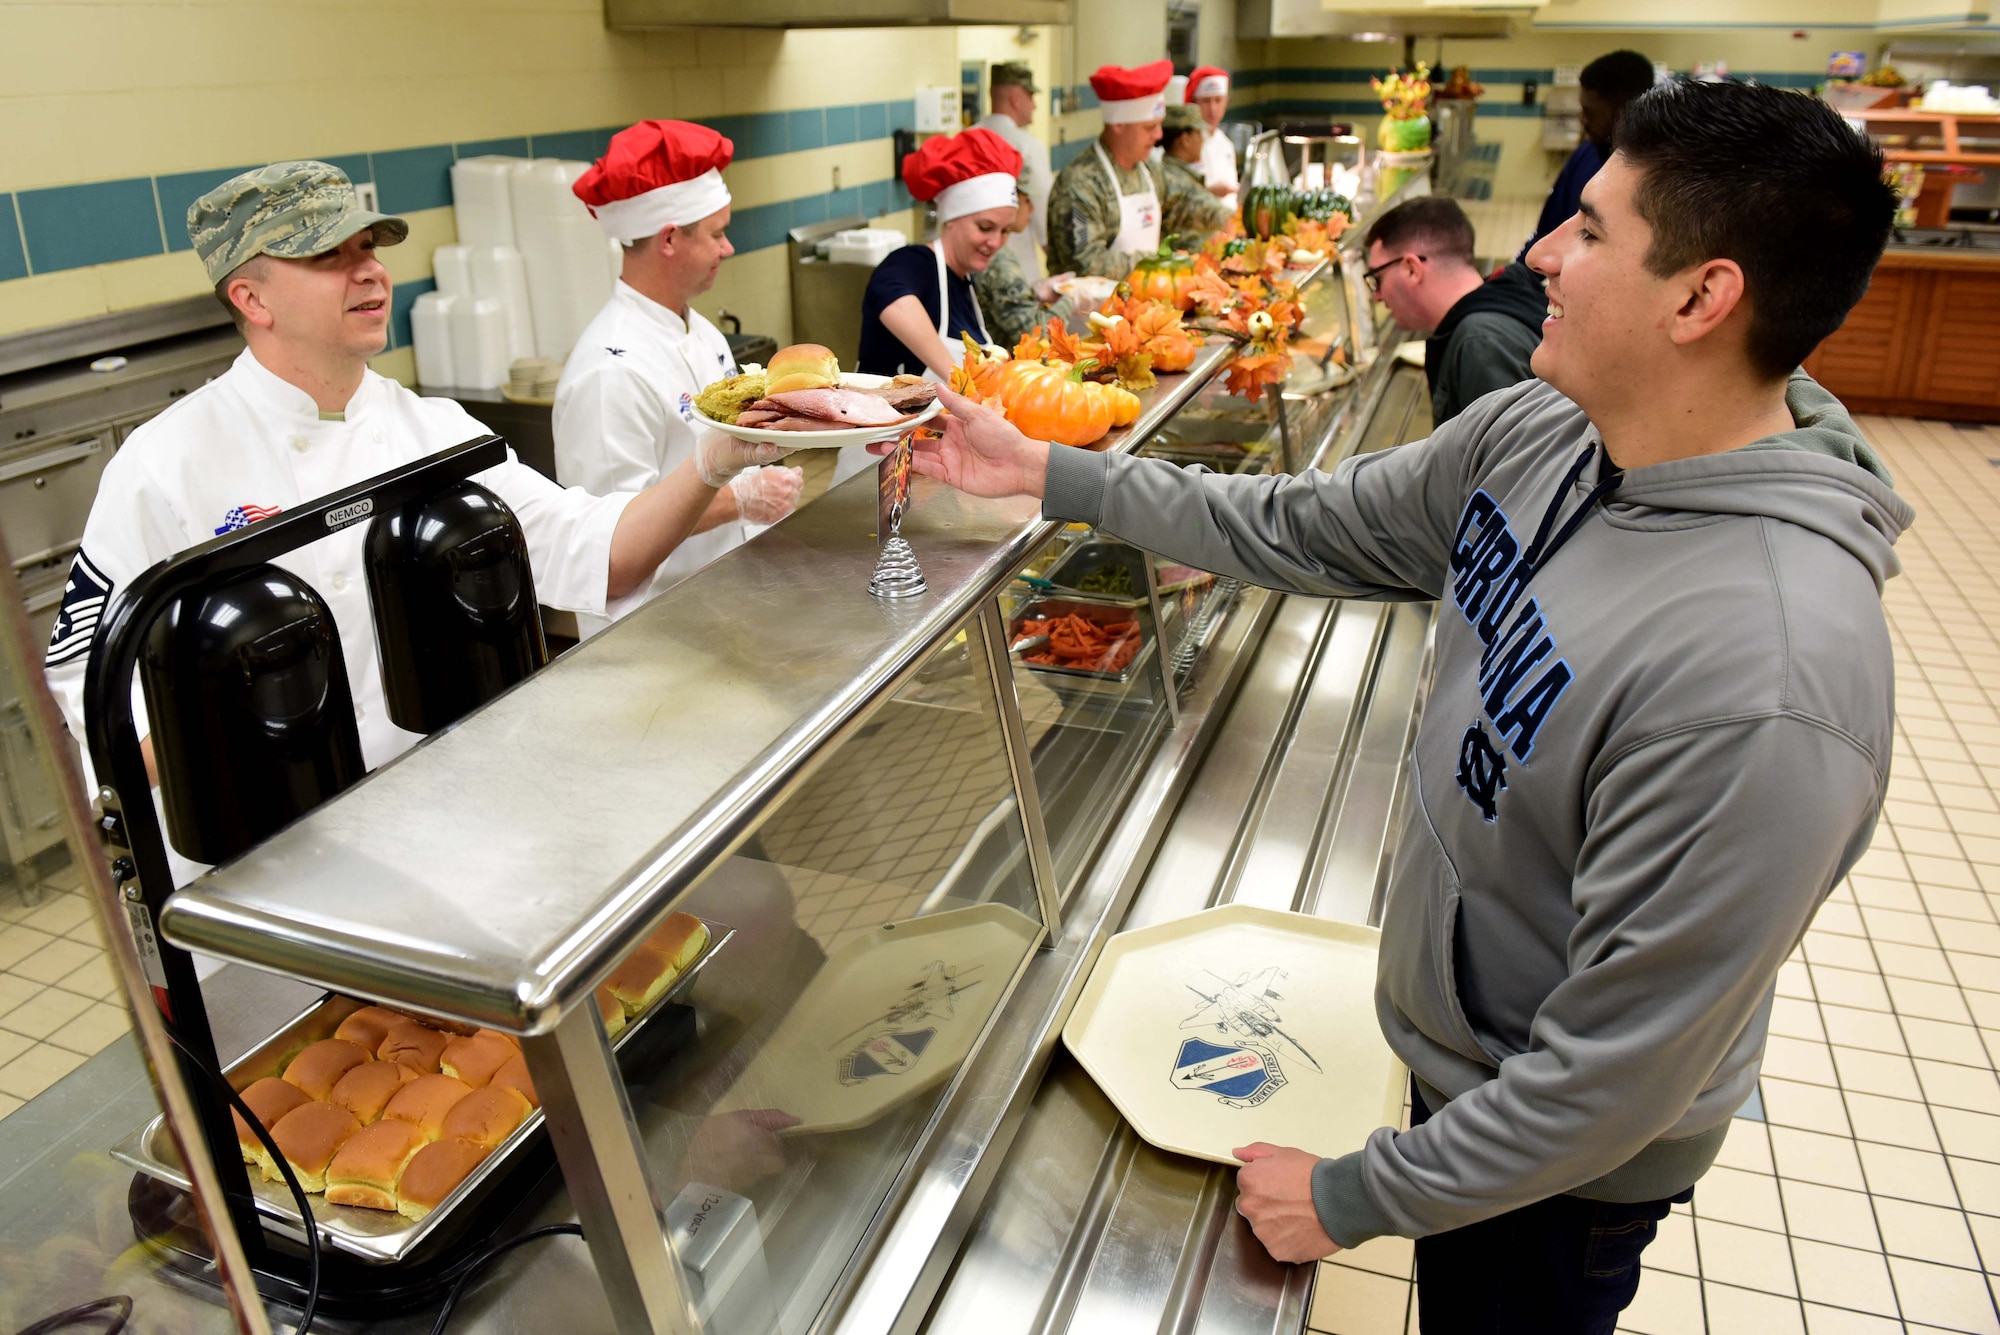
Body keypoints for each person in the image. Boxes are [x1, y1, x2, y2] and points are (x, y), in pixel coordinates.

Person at [890, 81, 1905, 1333]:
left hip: (1564, 1174)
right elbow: (1310, 524)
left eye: (1588, 231)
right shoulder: (1550, 427)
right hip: (1457, 1049)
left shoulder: (1769, 683)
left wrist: (1358, 1194)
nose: (1538, 254)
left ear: (1702, 298)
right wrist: (1052, 472)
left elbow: (1616, 1076)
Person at [45, 161, 790, 875]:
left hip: (451, 827)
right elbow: (87, 681)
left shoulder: (438, 435)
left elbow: (600, 551)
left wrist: (709, 464)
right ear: (253, 299)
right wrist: (213, 746)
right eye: (328, 256)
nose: (369, 270)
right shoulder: (164, 466)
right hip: (262, 855)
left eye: (368, 248)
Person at [555, 120, 803, 638]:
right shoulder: (609, 371)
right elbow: (612, 541)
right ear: (669, 239)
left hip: (721, 608)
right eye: (717, 234)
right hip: (652, 634)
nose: (728, 248)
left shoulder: (702, 332)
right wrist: (741, 498)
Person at [857, 127, 1022, 379]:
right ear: (952, 219)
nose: (996, 242)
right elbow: (887, 293)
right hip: (891, 416)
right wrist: (961, 383)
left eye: (1005, 230)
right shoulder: (913, 263)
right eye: (985, 227)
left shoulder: (964, 280)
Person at [1364, 196, 1545, 425]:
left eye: (1377, 279)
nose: (1377, 296)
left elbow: (1503, 457)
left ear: (1412, 269)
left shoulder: (1481, 343)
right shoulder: (1506, 295)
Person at [1045, 60, 1232, 279]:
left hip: (1144, 304)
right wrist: (1163, 263)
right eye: (1149, 127)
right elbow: (1086, 263)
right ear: (1118, 126)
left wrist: (1227, 219)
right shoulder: (1080, 184)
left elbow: (1186, 199)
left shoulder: (1149, 171)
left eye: (1159, 125)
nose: (1159, 135)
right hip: (1093, 311)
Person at [1519, 49, 1656, 257]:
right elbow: (1549, 231)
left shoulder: (1656, 179)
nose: (1583, 120)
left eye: (1590, 112)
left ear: (1623, 110)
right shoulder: (1586, 155)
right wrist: (1515, 276)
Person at [973, 166, 1076, 349]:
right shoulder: (998, 257)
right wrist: (1073, 298)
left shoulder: (991, 250)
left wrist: (1036, 292)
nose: (1031, 208)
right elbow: (1038, 337)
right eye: (1026, 200)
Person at [975, 61, 1053, 280]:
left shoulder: (967, 139)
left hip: (972, 269)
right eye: (1031, 97)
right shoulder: (1027, 147)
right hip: (1017, 270)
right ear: (1016, 99)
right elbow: (1044, 215)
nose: (1034, 106)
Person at [1186, 65, 1240, 209]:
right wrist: (1211, 190)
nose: (1213, 108)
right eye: (1206, 101)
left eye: (1218, 100)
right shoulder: (1185, 143)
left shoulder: (1226, 144)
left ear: (1226, 102)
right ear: (1194, 103)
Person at [1159, 102, 1210, 199]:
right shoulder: (1178, 181)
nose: (1202, 140)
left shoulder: (1167, 173)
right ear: (1185, 140)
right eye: (1199, 133)